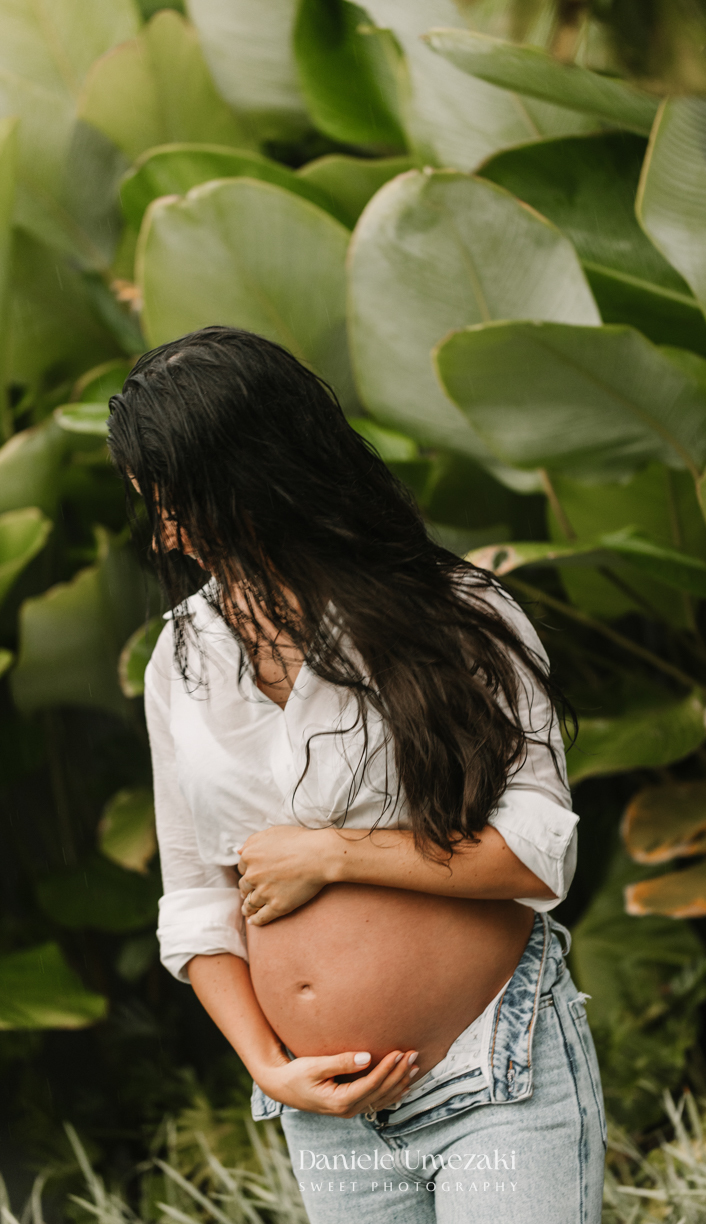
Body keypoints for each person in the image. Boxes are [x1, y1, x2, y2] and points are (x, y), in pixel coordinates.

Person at [107, 325, 606, 1224]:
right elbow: (194, 898)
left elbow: (538, 857)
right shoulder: (181, 658)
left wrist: (336, 854)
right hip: (326, 1115)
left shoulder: (458, 615)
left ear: (263, 474)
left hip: (493, 1073)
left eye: (184, 502)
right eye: (156, 506)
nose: (170, 534)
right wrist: (271, 1068)